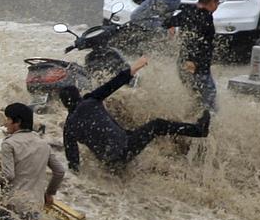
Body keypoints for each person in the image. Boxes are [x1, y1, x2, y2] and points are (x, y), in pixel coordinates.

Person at [59, 60, 211, 172]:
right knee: (157, 125)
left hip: (110, 163)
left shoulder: (69, 127)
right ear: (79, 95)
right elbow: (114, 83)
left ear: (65, 104)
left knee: (127, 134)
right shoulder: (91, 100)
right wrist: (136, 66)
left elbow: (73, 162)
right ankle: (198, 130)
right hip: (126, 147)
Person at [164, 0, 221, 112]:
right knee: (208, 93)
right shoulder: (204, 18)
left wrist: (170, 27)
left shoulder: (188, 11)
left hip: (183, 61)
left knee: (196, 95)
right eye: (217, 3)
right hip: (196, 64)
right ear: (212, 2)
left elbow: (169, 21)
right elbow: (195, 40)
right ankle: (209, 122)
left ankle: (192, 118)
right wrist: (192, 61)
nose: (217, 6)